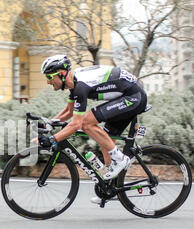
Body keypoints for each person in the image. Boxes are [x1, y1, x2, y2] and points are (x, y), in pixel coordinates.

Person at [39, 55, 147, 203]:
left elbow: (77, 123)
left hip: (133, 97)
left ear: (62, 74)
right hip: (126, 96)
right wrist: (49, 123)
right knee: (105, 143)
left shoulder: (80, 86)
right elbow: (68, 112)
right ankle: (110, 189)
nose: (48, 81)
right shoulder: (74, 84)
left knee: (86, 123)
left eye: (50, 77)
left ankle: (121, 159)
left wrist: (53, 139)